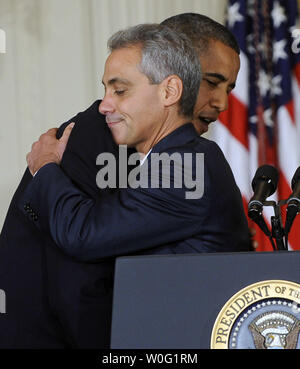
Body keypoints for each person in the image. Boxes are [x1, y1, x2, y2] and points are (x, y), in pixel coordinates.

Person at [0, 14, 251, 349]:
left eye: (120, 89)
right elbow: (78, 271)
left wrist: (44, 166)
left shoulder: (186, 162)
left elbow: (86, 234)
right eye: (211, 81)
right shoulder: (105, 138)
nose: (221, 103)